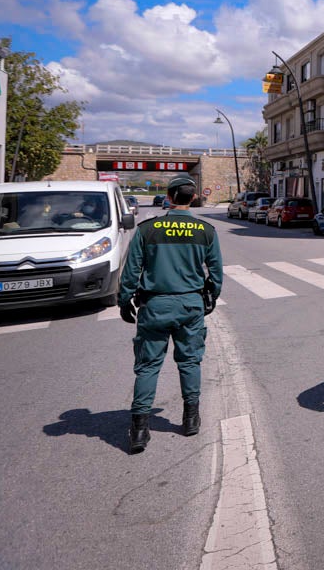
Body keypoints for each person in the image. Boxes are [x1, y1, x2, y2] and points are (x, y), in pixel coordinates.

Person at [118, 174, 222, 453]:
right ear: (192, 197)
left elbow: (131, 270)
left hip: (155, 306)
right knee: (190, 362)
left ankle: (139, 430)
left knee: (148, 366)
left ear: (170, 197)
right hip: (190, 305)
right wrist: (212, 296)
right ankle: (190, 419)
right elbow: (216, 271)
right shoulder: (205, 231)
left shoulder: (147, 230)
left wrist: (124, 299)